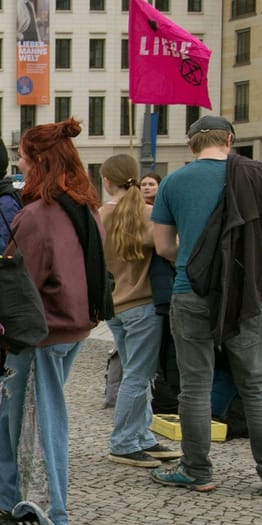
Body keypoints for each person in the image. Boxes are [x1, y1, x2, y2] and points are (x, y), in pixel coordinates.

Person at [150, 114, 262, 496]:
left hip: (190, 289)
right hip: (246, 293)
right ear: (229, 139)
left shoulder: (174, 182)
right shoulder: (259, 175)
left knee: (195, 385)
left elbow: (163, 246)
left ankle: (197, 470)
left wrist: (199, 262)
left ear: (192, 144)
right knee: (255, 384)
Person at [0, 121, 104, 525]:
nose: (18, 160)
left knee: (38, 419)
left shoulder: (37, 216)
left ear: (38, 161)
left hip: (42, 331)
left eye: (23, 154)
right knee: (17, 418)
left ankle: (49, 510)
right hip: (70, 326)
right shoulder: (84, 207)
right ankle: (5, 497)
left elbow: (21, 283)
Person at [99, 153, 179, 468]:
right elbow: (169, 249)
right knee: (139, 375)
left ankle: (141, 437)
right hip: (141, 303)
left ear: (106, 181)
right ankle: (123, 442)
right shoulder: (148, 214)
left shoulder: (98, 215)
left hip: (112, 305)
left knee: (136, 374)